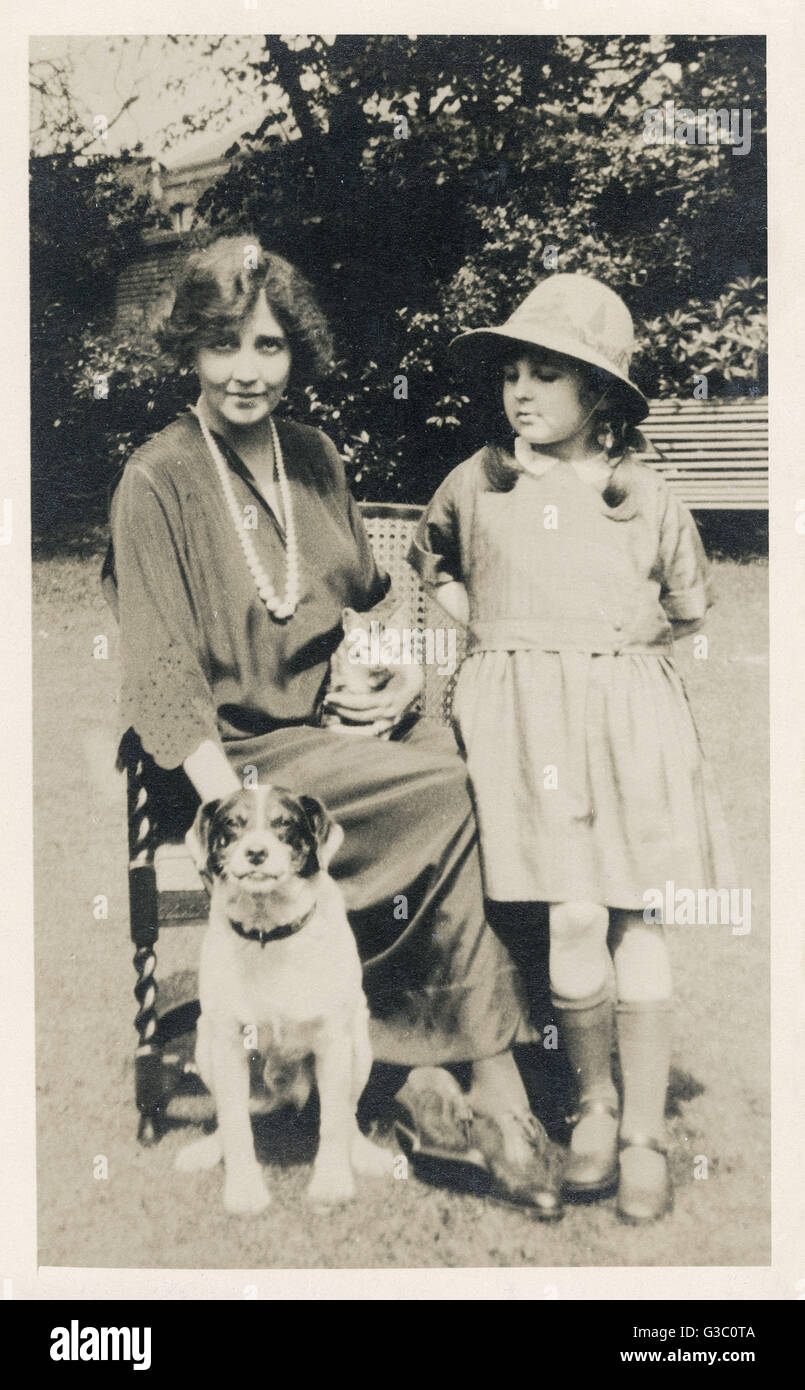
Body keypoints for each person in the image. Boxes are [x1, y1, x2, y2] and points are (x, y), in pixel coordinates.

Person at [102, 233, 564, 1217]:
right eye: (224, 345)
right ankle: (494, 1085)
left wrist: (386, 671)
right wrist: (245, 817)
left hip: (326, 741)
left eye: (269, 347)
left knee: (472, 751)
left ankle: (415, 1068)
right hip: (228, 765)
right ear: (190, 349)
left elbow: (364, 595)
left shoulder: (309, 454)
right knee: (444, 792)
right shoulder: (156, 478)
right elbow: (156, 672)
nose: (245, 370)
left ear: (294, 354)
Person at [408, 273, 736, 1223]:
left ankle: (640, 1131)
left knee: (637, 920)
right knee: (576, 917)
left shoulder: (643, 496)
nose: (519, 391)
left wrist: (603, 665)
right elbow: (438, 568)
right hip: (521, 728)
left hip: (626, 727)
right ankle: (589, 1107)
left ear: (598, 395)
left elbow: (685, 608)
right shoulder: (477, 482)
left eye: (545, 374)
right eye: (511, 372)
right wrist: (499, 645)